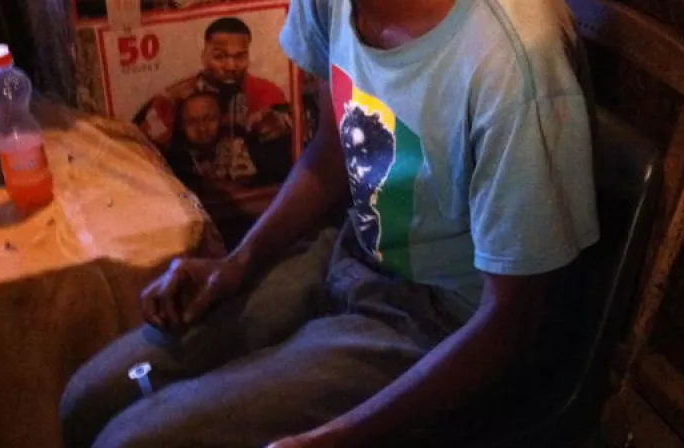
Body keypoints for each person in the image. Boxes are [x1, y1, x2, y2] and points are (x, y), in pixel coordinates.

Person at [60, 0, 599, 447]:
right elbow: (336, 144)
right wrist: (239, 263)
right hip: (350, 252)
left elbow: (512, 324)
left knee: (133, 440)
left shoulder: (512, 63)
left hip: (442, 322)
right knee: (89, 398)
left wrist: (342, 435)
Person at [135, 17, 292, 150]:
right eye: (219, 56)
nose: (231, 66)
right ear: (204, 56)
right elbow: (144, 148)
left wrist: (280, 124)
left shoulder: (267, 92)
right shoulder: (176, 97)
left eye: (240, 57)